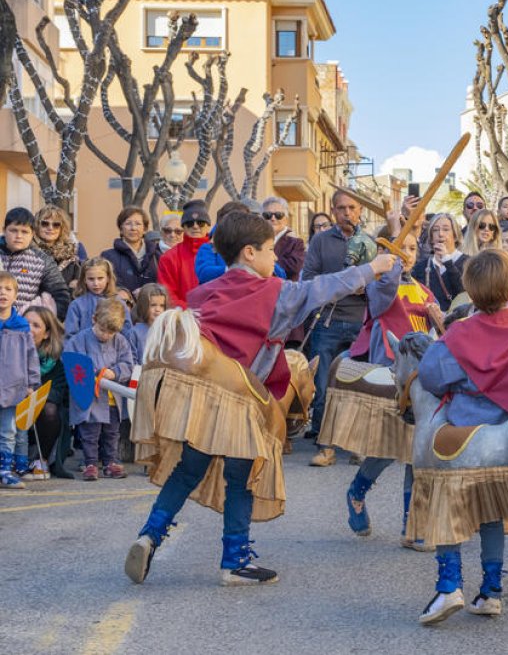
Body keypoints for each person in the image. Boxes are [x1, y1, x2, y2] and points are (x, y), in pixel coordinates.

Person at [124, 211, 396, 587]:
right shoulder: (275, 294)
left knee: (188, 470)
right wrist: (374, 268)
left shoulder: (206, 291)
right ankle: (234, 561)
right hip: (242, 398)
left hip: (203, 398)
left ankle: (149, 534)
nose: (275, 258)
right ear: (249, 253)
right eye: (270, 250)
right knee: (240, 479)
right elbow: (324, 287)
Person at [416, 249, 508, 624]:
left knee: (448, 506)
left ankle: (448, 587)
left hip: (464, 434)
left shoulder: (458, 333)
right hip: (507, 435)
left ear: (469, 292)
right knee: (492, 514)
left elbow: (430, 377)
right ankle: (491, 591)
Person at [341, 231, 439, 545]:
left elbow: (436, 333)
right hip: (388, 370)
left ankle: (412, 526)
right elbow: (382, 295)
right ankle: (357, 490)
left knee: (415, 450)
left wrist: (441, 319)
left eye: (411, 248)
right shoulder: (381, 284)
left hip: (421, 380)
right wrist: (389, 263)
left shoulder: (424, 291)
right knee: (387, 446)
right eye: (400, 248)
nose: (406, 254)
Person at [303, 190, 377, 466]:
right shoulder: (320, 241)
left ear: (360, 210)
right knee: (323, 387)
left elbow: (381, 280)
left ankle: (358, 445)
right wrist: (343, 282)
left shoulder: (370, 242)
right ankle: (326, 447)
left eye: (353, 208)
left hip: (361, 322)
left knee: (361, 387)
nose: (348, 213)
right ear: (333, 211)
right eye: (342, 208)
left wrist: (365, 285)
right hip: (329, 322)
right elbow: (309, 278)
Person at [64, 298, 134, 482]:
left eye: (111, 332)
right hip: (90, 397)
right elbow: (71, 360)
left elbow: (128, 363)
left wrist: (115, 372)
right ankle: (90, 463)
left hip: (112, 398)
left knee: (112, 433)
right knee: (90, 432)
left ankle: (110, 462)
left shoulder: (120, 341)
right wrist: (89, 374)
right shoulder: (80, 339)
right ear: (94, 319)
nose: (106, 335)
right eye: (103, 330)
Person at [0, 272, 40, 489]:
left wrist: (31, 384)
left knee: (8, 430)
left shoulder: (21, 327)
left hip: (13, 387)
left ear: (16, 295)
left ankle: (5, 471)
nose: (2, 293)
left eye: (7, 289)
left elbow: (31, 358)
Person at [0, 208, 72, 320]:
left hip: (24, 329)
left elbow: (61, 296)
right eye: (13, 230)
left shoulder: (42, 260)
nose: (19, 236)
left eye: (24, 232)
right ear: (4, 230)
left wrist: (43, 324)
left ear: (32, 233)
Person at [25, 306, 69, 479]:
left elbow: (58, 393)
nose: (29, 328)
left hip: (40, 414)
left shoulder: (56, 359)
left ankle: (40, 460)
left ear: (46, 333)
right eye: (26, 323)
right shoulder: (8, 351)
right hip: (9, 405)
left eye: (36, 325)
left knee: (50, 410)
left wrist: (34, 394)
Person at [157, 201, 211, 308]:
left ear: (208, 226)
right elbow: (168, 296)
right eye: (190, 223)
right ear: (184, 227)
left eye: (200, 223)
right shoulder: (168, 258)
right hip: (183, 319)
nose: (195, 227)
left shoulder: (221, 253)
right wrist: (192, 312)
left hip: (216, 318)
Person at [64, 258, 133, 339]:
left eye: (100, 278)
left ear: (108, 278)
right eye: (91, 279)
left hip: (113, 350)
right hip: (84, 350)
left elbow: (127, 332)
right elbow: (70, 337)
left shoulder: (119, 302)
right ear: (84, 280)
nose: (96, 283)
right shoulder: (76, 305)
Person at [412, 213, 467, 311]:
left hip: (458, 322)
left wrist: (447, 261)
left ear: (455, 235)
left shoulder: (469, 262)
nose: (440, 234)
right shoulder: (420, 267)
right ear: (431, 237)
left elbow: (465, 294)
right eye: (435, 230)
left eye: (446, 229)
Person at [101, 207, 160, 292]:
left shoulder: (157, 256)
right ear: (121, 229)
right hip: (121, 304)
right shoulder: (108, 257)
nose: (133, 228)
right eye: (128, 224)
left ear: (145, 229)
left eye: (138, 224)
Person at [34, 205, 87, 292]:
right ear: (37, 225)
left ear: (62, 228)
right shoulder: (28, 251)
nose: (50, 228)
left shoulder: (74, 251)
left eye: (56, 224)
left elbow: (84, 280)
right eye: (45, 223)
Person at [262, 197, 306, 281]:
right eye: (268, 215)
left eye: (278, 215)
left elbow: (294, 266)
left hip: (284, 290)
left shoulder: (296, 243)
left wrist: (263, 262)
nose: (273, 218)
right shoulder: (256, 240)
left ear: (286, 219)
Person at [127, 283, 170, 364]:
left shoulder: (168, 331)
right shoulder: (134, 332)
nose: (158, 309)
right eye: (153, 305)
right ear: (144, 306)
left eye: (162, 306)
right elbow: (132, 361)